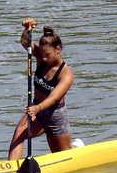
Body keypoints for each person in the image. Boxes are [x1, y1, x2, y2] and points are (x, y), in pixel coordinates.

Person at [8, 21, 75, 158]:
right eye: (42, 54)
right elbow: (25, 43)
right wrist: (27, 30)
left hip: (55, 115)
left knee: (61, 155)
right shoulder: (41, 58)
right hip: (37, 111)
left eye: (48, 55)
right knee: (20, 132)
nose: (43, 58)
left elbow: (54, 98)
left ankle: (77, 148)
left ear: (58, 49)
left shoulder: (66, 74)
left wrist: (37, 108)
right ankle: (11, 169)